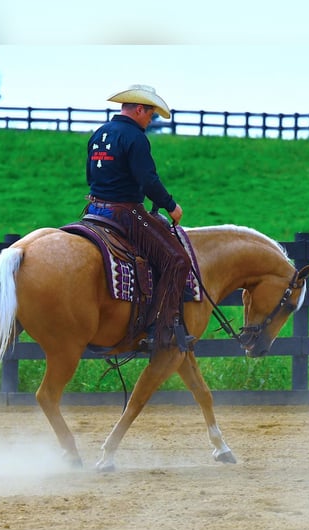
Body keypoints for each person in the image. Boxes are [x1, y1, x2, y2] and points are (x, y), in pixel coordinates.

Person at [85, 84, 194, 353]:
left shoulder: (99, 134)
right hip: (125, 215)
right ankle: (161, 327)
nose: (151, 120)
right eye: (151, 114)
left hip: (93, 212)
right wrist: (171, 206)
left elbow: (91, 176)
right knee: (178, 260)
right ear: (139, 109)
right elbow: (147, 181)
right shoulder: (135, 137)